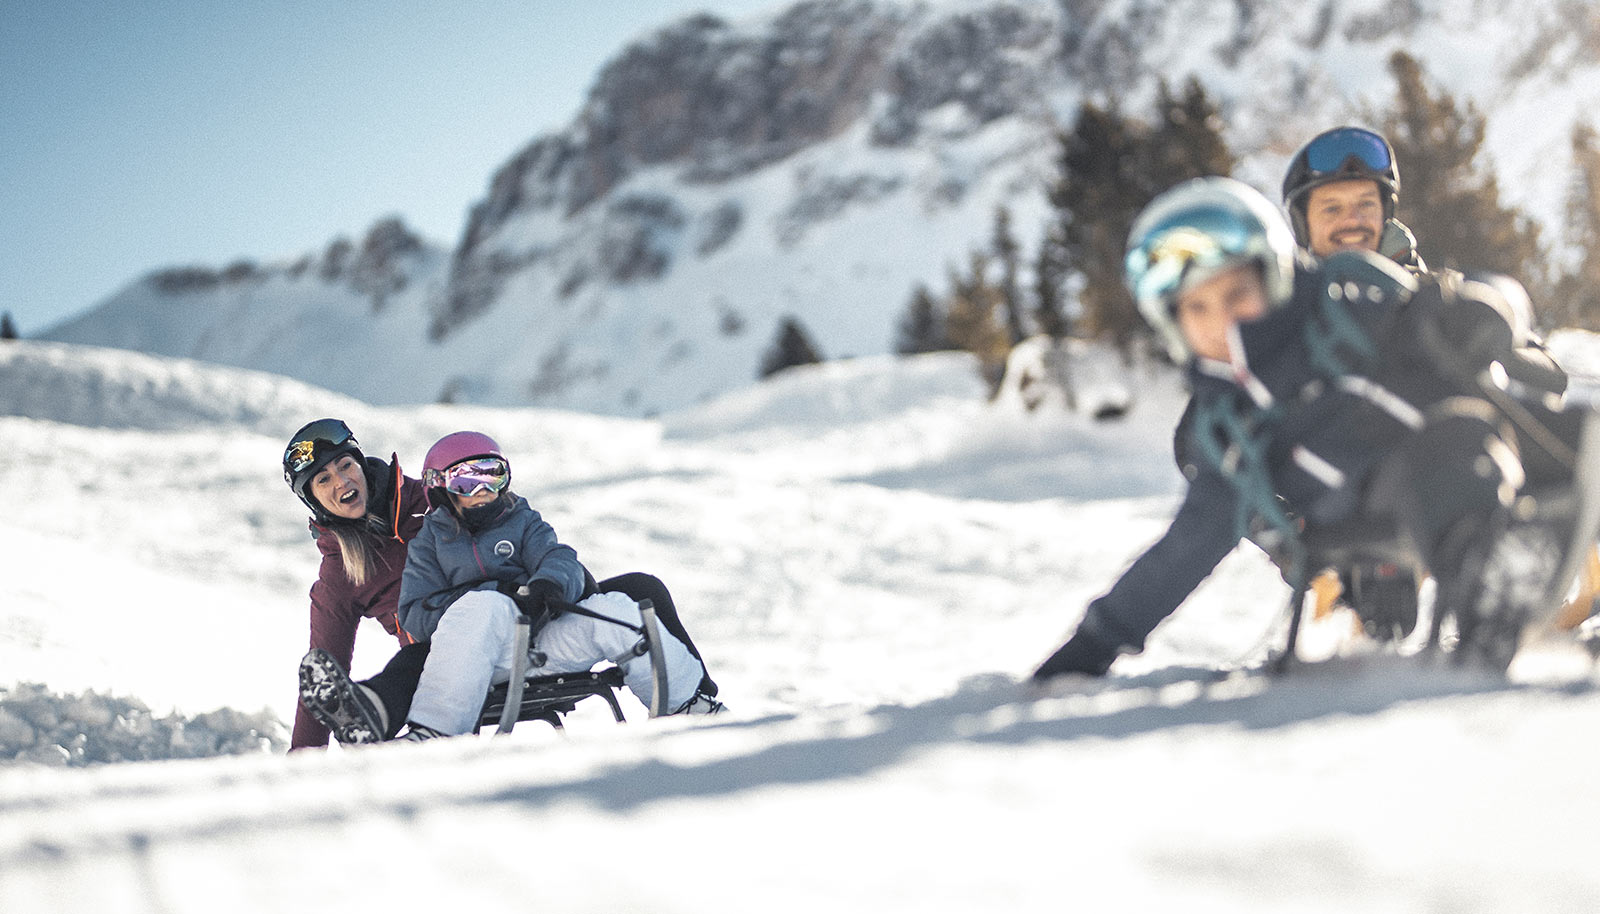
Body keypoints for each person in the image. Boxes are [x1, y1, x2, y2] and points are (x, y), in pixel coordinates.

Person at [1034, 177, 1593, 681]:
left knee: (1578, 437)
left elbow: (1436, 316)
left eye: (1237, 296)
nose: (1222, 323)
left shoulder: (1343, 318)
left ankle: (1537, 573)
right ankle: (1491, 596)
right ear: (1171, 322)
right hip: (1368, 516)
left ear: (1273, 278)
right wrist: (1094, 644)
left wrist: (1471, 318)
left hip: (1485, 448)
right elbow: (1186, 549)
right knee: (1452, 448)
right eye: (1197, 310)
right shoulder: (1229, 427)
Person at [394, 431, 722, 740]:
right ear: (439, 488)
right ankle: (436, 731)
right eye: (465, 480)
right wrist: (492, 596)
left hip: (543, 647)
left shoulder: (521, 520)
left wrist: (548, 586)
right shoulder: (429, 544)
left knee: (614, 609)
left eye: (492, 476)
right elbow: (414, 613)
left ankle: (687, 705)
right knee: (484, 604)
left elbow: (558, 556)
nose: (481, 489)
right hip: (484, 660)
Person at [281, 418, 431, 749]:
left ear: (361, 465)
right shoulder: (341, 571)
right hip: (432, 663)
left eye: (346, 464)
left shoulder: (427, 501)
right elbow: (323, 672)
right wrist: (303, 761)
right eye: (323, 479)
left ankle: (371, 710)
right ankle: (367, 714)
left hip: (497, 622)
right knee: (418, 661)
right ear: (314, 500)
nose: (342, 480)